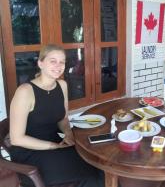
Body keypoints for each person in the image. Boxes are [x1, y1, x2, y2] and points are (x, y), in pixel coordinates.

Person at [9, 44, 104, 187]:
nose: (58, 66)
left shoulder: (62, 85)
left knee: (98, 165)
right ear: (40, 63)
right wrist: (53, 146)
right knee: (90, 177)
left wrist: (68, 133)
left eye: (62, 62)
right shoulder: (25, 91)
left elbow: (63, 118)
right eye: (53, 61)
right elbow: (16, 139)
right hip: (30, 152)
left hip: (56, 144)